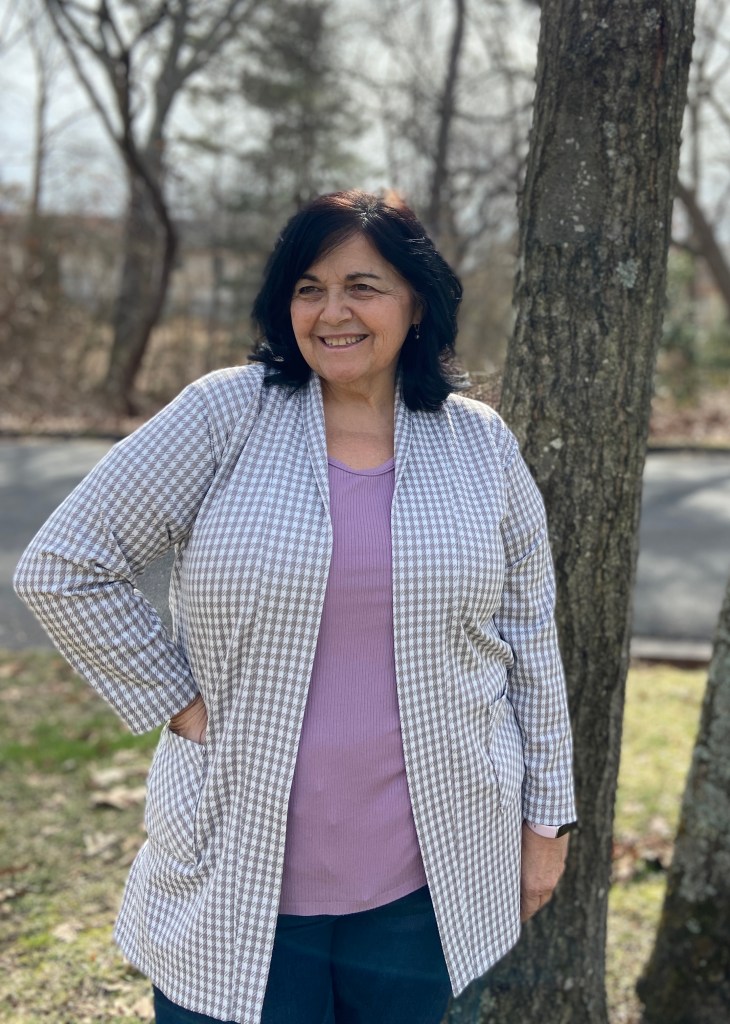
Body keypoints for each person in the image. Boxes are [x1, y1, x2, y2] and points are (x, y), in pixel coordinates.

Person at [14, 189, 577, 1024]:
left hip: (427, 883)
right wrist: (181, 703)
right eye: (309, 288)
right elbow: (65, 565)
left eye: (362, 287)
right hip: (235, 874)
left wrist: (548, 824)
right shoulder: (224, 414)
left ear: (418, 303)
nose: (332, 311)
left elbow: (530, 637)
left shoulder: (479, 443)